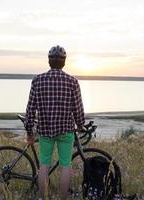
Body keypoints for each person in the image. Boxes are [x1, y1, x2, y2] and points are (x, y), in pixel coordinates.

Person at [24, 45, 85, 200]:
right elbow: (78, 108)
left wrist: (29, 131)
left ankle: (43, 198)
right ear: (64, 62)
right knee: (66, 166)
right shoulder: (72, 81)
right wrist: (80, 124)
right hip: (66, 131)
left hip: (45, 130)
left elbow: (30, 109)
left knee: (44, 165)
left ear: (49, 61)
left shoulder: (37, 80)